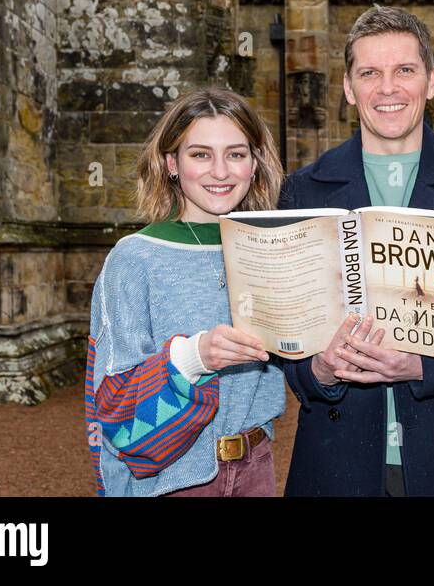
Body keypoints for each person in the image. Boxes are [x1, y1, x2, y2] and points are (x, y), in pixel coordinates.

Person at [276, 5, 434, 496]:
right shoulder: (304, 191)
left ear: (431, 81)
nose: (388, 88)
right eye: (370, 73)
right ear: (350, 89)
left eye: (405, 71)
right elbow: (288, 333)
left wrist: (424, 366)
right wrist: (320, 369)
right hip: (341, 454)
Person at [84, 87, 288, 497]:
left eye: (236, 153)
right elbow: (112, 403)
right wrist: (194, 357)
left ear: (254, 163)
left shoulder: (272, 247)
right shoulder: (134, 257)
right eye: (200, 155)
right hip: (172, 479)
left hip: (257, 468)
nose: (221, 171)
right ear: (171, 163)